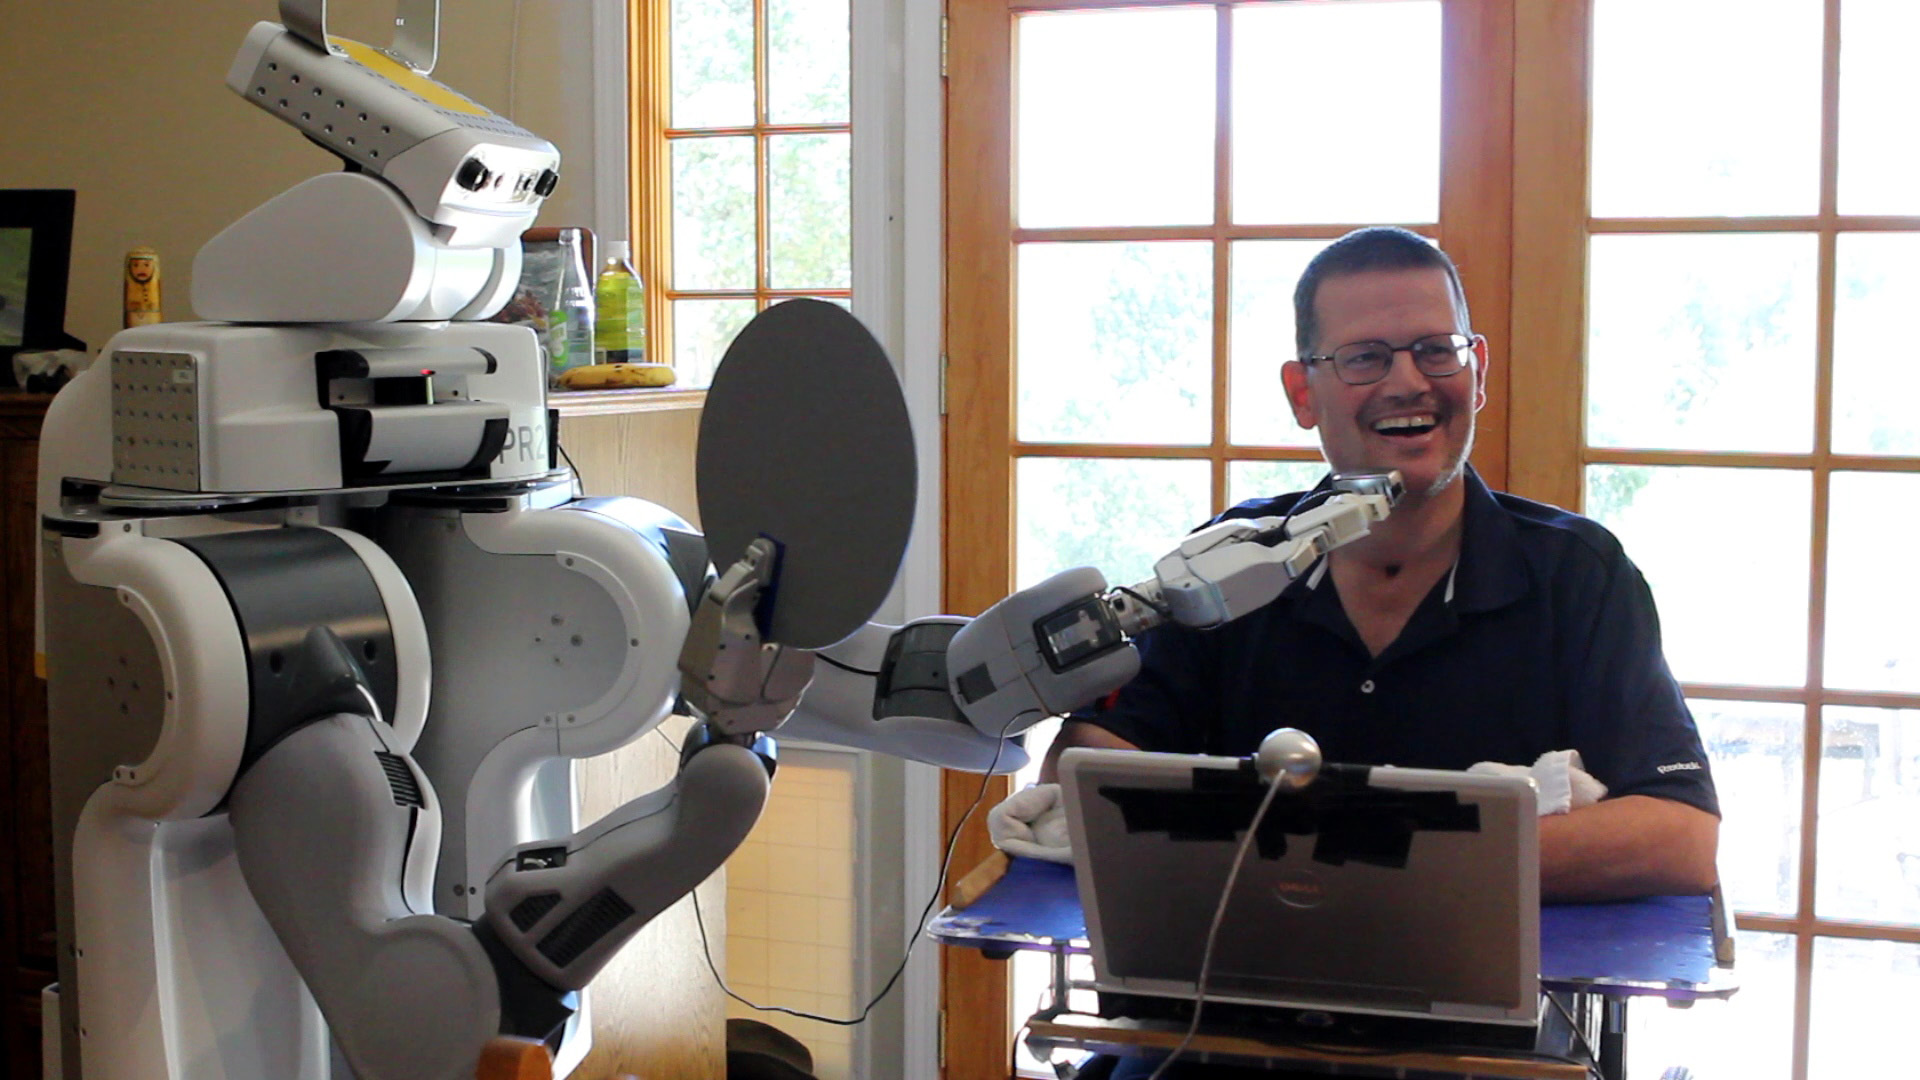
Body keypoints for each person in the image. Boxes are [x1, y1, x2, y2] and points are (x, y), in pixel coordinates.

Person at [1041, 226, 1720, 905]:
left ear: (1476, 371)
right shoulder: (1225, 566)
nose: (1409, 383)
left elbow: (1682, 837)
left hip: (1488, 1003)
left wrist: (1357, 848)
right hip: (1235, 996)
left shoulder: (1579, 575)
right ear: (1302, 394)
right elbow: (1080, 775)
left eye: (1437, 351)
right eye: (1364, 358)